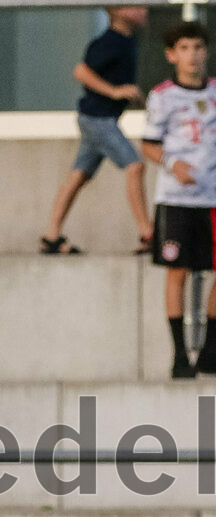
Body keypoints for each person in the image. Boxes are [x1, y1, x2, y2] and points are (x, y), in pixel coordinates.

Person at [40, 6, 152, 255]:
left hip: (100, 117)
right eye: (135, 4)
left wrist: (130, 94)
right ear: (118, 10)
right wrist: (114, 91)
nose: (144, 9)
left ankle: (51, 235)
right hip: (98, 118)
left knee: (78, 176)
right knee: (135, 166)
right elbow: (81, 71)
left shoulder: (127, 41)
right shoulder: (110, 41)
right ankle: (148, 233)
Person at [141, 22, 216, 379]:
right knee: (178, 272)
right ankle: (180, 355)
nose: (193, 55)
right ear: (172, 55)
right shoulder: (163, 96)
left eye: (198, 47)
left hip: (213, 197)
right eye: (184, 48)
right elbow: (149, 145)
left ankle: (210, 349)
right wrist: (174, 164)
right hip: (177, 199)